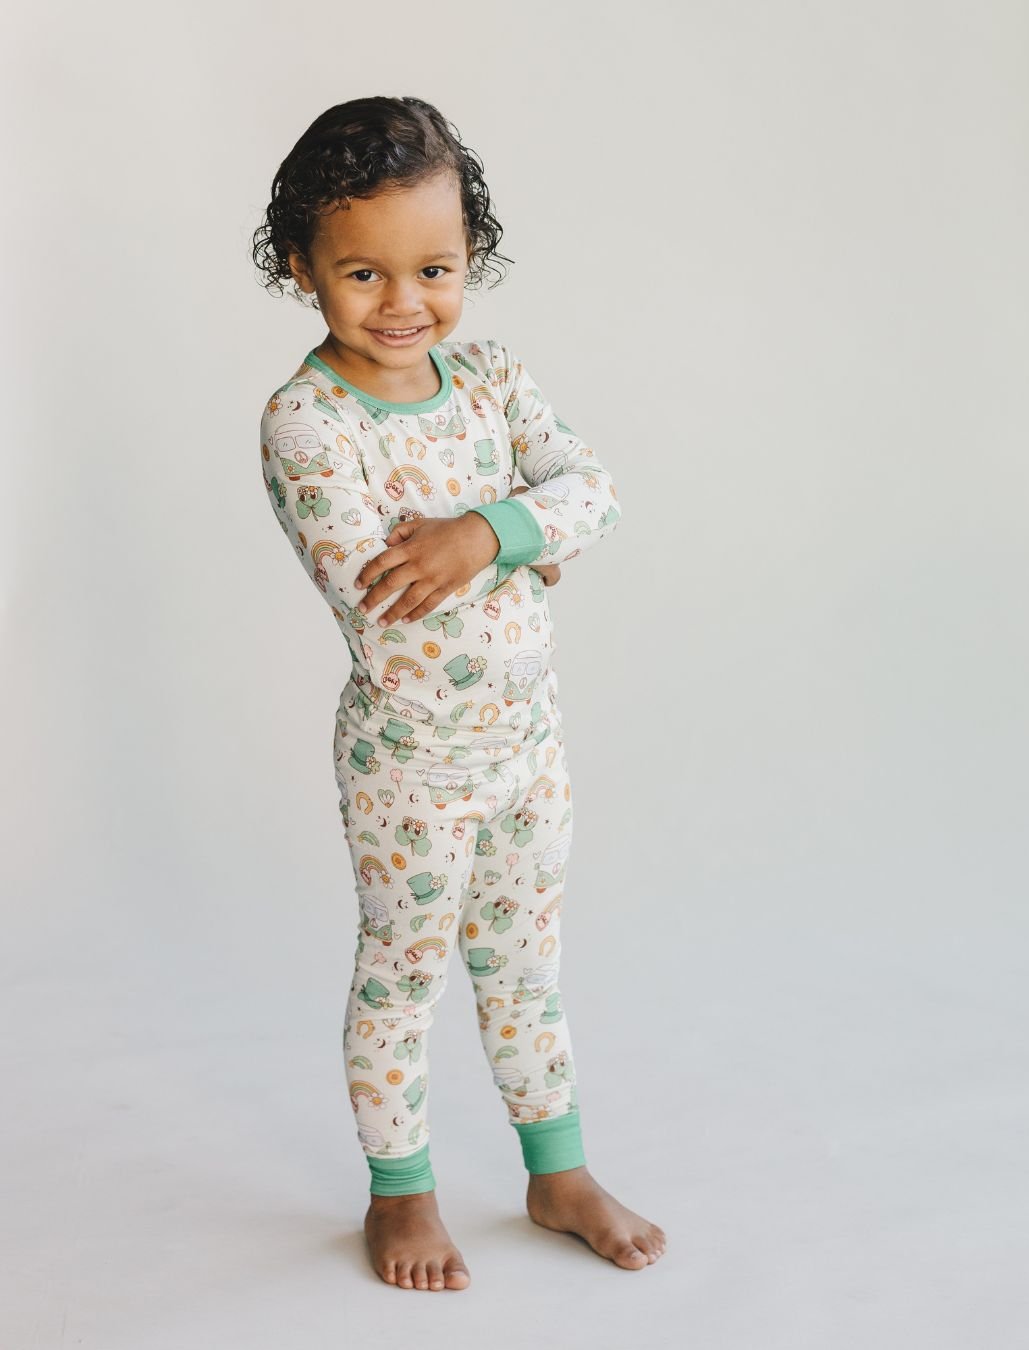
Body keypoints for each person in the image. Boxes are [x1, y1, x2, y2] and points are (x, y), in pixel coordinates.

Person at [251, 95, 666, 1291]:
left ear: (469, 254)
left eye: (433, 269)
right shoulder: (308, 423)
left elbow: (596, 491)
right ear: (302, 267)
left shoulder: (490, 378)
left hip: (528, 747)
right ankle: (401, 1191)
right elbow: (382, 588)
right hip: (412, 765)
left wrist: (485, 532)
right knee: (405, 974)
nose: (403, 303)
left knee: (526, 966)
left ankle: (557, 1172)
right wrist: (528, 536)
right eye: (362, 273)